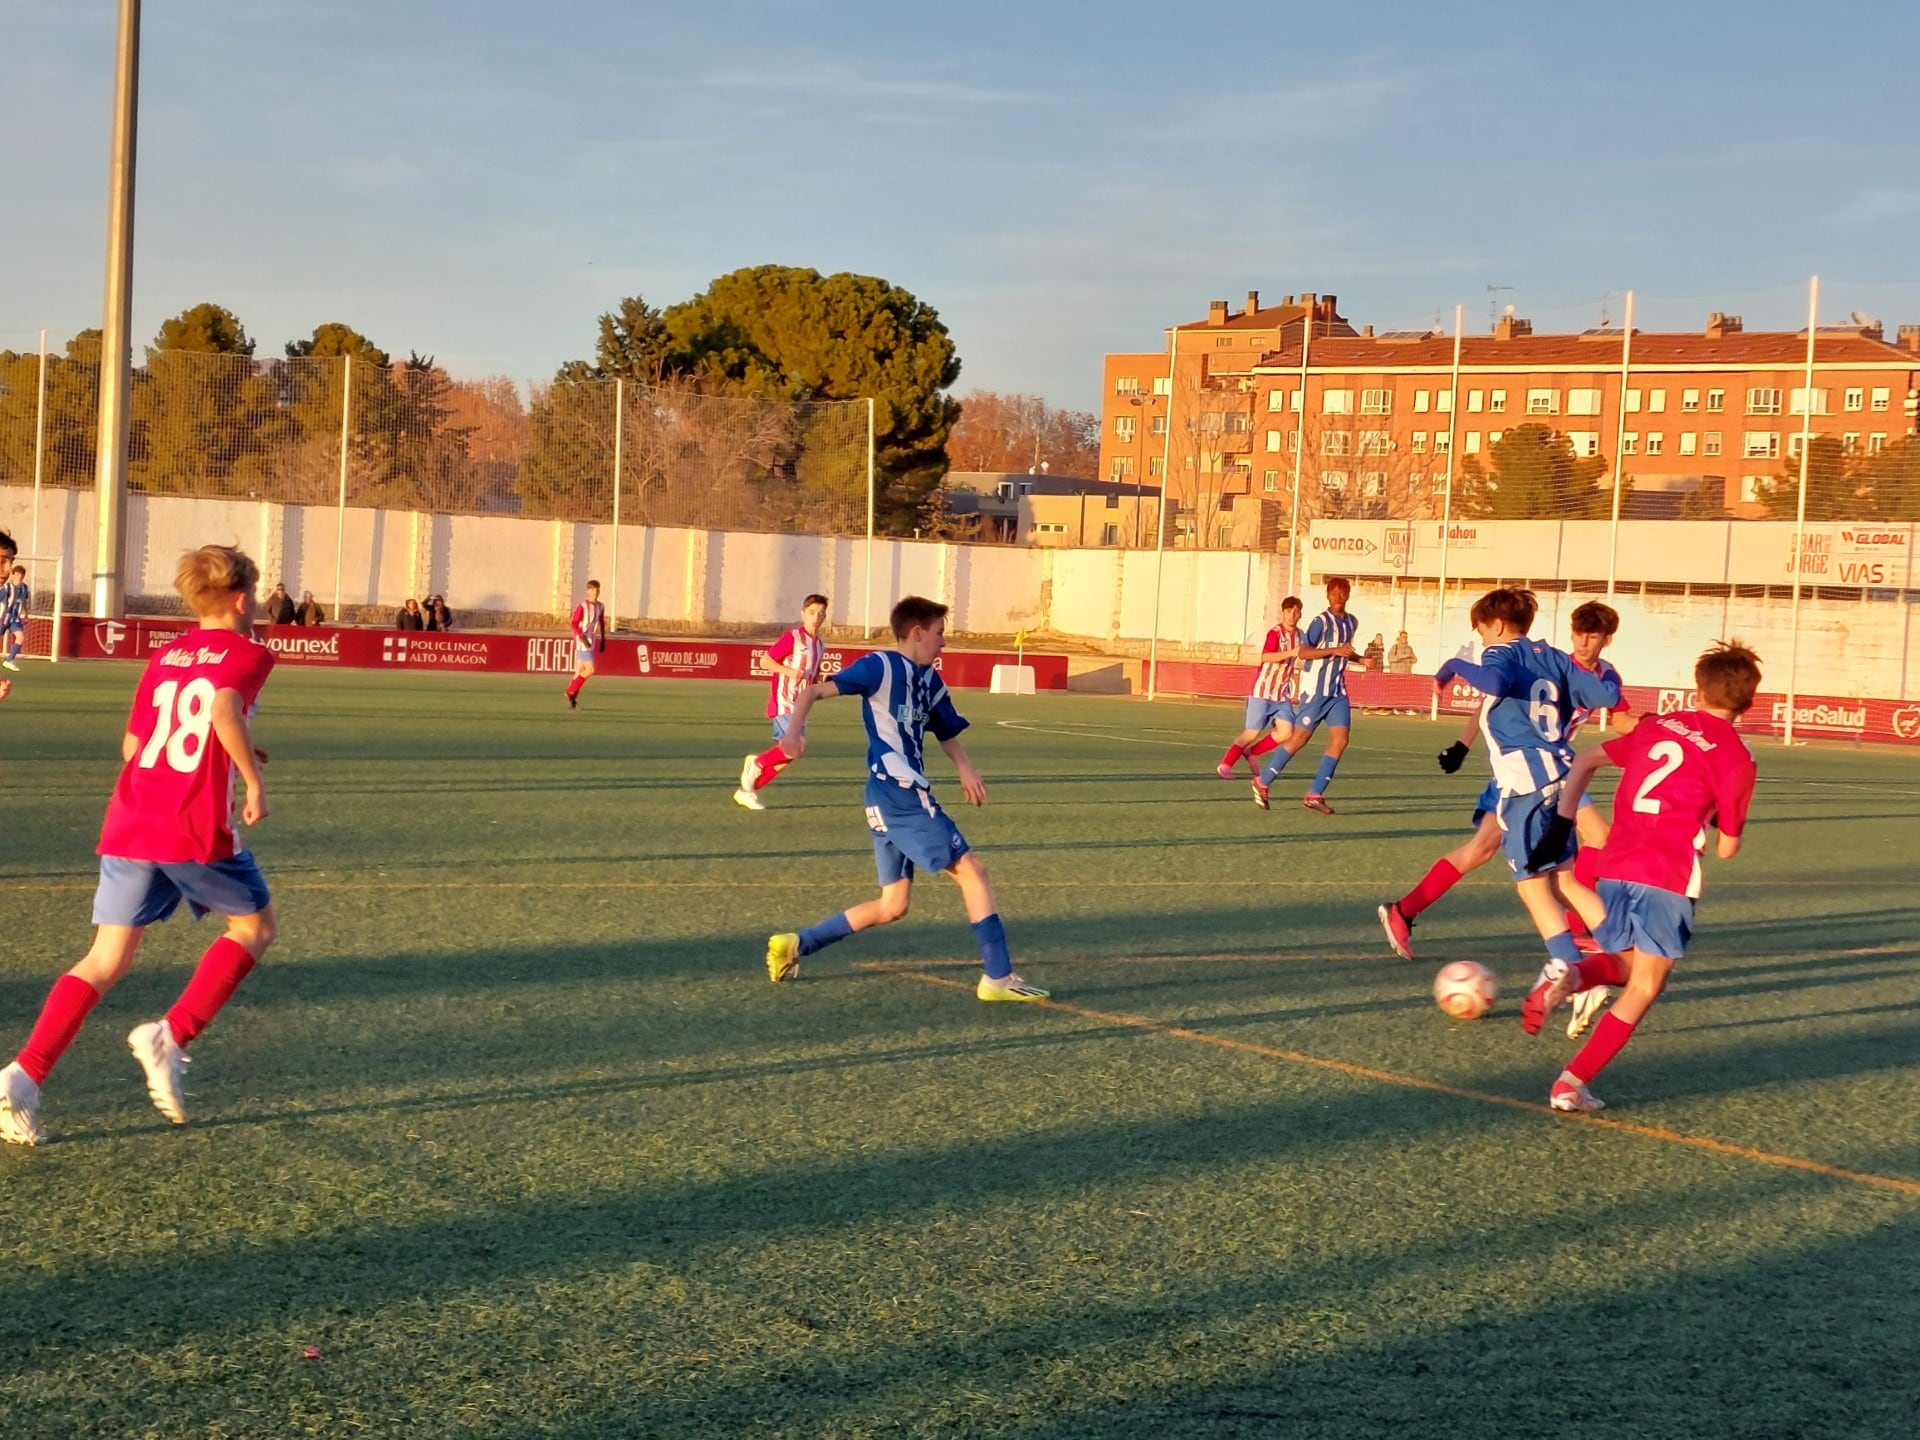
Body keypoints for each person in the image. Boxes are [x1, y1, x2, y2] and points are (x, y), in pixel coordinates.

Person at [0, 544, 278, 1146]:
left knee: (104, 961)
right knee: (253, 930)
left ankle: (23, 1076)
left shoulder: (167, 653)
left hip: (132, 815)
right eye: (253, 593)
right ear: (240, 598)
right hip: (189, 825)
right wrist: (251, 782)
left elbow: (135, 745)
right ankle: (169, 1036)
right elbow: (224, 707)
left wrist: (230, 751)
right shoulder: (252, 651)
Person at [763, 595, 1048, 1002]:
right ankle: (998, 977)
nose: (944, 643)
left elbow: (946, 730)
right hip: (900, 793)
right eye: (939, 634)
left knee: (893, 904)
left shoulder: (930, 681)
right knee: (972, 870)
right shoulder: (879, 667)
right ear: (917, 633)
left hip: (883, 796)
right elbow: (811, 693)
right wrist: (792, 733)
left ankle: (796, 943)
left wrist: (964, 767)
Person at [1520, 642, 1761, 1112]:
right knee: (1646, 986)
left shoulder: (1661, 727)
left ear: (1697, 688)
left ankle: (1569, 974)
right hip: (1666, 874)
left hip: (1615, 862)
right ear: (1749, 701)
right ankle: (1570, 1082)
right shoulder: (1736, 757)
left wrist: (1564, 824)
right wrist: (1713, 818)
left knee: (1631, 965)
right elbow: (1727, 849)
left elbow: (1586, 760)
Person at [1378, 601, 1634, 1043]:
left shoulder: (1543, 660)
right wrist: (1461, 744)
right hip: (1537, 774)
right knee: (1514, 858)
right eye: (1580, 632)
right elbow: (1493, 698)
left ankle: (1582, 959)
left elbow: (1618, 711)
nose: (1584, 641)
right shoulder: (1555, 658)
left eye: (1593, 636)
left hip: (1533, 776)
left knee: (1546, 879)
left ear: (1607, 638)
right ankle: (1404, 910)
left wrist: (1455, 664)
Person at [1253, 576, 1366, 815]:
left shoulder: (1351, 622)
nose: (1337, 598)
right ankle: (1262, 782)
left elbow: (1343, 652)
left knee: (1341, 740)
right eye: (1333, 594)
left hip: (1337, 691)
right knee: (1299, 739)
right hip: (1315, 690)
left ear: (1348, 595)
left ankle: (1315, 794)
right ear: (1327, 595)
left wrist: (1360, 659)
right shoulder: (1320, 622)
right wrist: (1335, 650)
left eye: (1342, 593)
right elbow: (1304, 652)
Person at [736, 593, 829, 809]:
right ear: (803, 614)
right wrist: (788, 671)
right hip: (786, 700)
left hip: (801, 706)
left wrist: (823, 685)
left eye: (821, 614)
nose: (816, 618)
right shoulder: (792, 637)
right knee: (795, 747)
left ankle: (746, 790)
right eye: (812, 613)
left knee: (789, 753)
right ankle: (756, 764)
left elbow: (812, 678)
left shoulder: (819, 645)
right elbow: (766, 660)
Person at [1217, 597, 1304, 779]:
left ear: (1300, 614)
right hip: (1263, 692)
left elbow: (1305, 655)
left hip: (1281, 695)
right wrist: (1290, 653)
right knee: (1252, 732)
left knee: (1287, 732)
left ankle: (1253, 753)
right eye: (1289, 611)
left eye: (1296, 612)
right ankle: (1226, 764)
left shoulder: (1300, 636)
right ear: (1283, 612)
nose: (1292, 615)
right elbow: (1266, 657)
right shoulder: (1275, 633)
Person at [565, 580, 608, 709]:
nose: (596, 593)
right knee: (590, 670)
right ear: (588, 591)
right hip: (582, 642)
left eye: (597, 590)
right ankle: (570, 691)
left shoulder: (600, 606)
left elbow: (601, 622)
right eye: (593, 590)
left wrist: (603, 639)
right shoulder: (582, 606)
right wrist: (581, 636)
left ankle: (572, 699)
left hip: (591, 640)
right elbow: (573, 623)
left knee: (579, 671)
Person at [1, 564, 29, 671]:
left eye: (21, 574)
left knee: (20, 637)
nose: (19, 576)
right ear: (13, 575)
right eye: (17, 574)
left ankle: (9, 661)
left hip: (15, 619)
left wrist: (26, 613)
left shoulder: (24, 588)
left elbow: (24, 602)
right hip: (4, 618)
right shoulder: (7, 587)